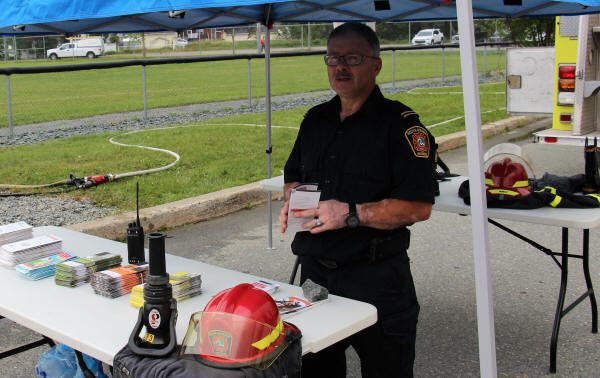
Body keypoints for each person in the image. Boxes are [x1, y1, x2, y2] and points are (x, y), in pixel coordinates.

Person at [279, 22, 437, 378]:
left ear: (376, 65)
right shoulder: (315, 120)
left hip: (377, 277)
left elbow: (418, 206)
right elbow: (293, 177)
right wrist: (295, 200)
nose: (340, 67)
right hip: (316, 275)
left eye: (352, 58)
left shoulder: (402, 126)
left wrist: (350, 213)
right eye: (333, 59)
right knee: (317, 371)